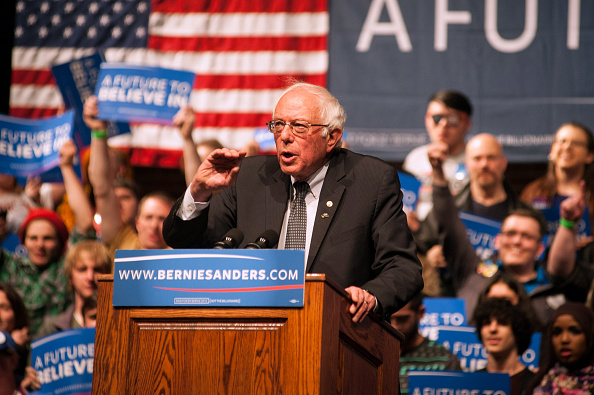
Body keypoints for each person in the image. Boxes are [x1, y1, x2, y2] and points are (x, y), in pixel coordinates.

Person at [161, 82, 423, 322]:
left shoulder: (370, 181)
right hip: (250, 329)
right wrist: (198, 192)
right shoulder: (251, 176)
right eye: (278, 124)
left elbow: (403, 267)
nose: (284, 136)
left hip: (336, 332)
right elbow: (186, 243)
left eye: (299, 126)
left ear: (331, 137)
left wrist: (370, 295)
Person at [427, 144, 592, 324]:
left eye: (526, 236)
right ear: (498, 240)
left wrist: (568, 223)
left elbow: (561, 267)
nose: (516, 241)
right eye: (511, 233)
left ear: (540, 248)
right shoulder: (473, 272)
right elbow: (448, 223)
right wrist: (438, 172)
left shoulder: (549, 288)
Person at [416, 135, 530, 295]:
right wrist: (429, 258)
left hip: (511, 294)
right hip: (454, 297)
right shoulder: (449, 209)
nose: (484, 164)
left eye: (491, 158)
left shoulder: (525, 214)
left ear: (503, 163)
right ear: (468, 164)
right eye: (477, 158)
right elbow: (419, 246)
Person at [83, 97, 183, 260]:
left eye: (162, 219)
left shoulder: (178, 254)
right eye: (148, 217)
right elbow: (102, 188)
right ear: (137, 222)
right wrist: (99, 131)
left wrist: (186, 139)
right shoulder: (123, 241)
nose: (154, 226)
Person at [403, 90, 473, 225]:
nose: (443, 124)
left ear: (467, 124)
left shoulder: (478, 160)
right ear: (427, 120)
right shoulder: (414, 159)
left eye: (453, 119)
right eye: (436, 118)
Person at [521, 122, 594, 239]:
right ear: (552, 150)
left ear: (590, 155)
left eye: (576, 143)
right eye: (562, 141)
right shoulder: (533, 191)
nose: (567, 147)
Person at [35, 240, 110, 338]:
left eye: (97, 269)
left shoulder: (118, 324)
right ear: (70, 277)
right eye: (82, 269)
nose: (90, 277)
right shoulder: (52, 329)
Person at [390, 293, 461, 395]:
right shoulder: (377, 354)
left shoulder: (445, 360)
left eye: (402, 319)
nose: (394, 326)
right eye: (388, 319)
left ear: (420, 313)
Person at [528, 302, 594, 394]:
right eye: (557, 332)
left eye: (575, 331)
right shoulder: (540, 383)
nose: (564, 339)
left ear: (589, 336)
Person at [473, 298, 535, 395]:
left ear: (517, 331)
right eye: (487, 323)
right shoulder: (470, 383)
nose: (492, 329)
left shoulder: (536, 383)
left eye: (502, 322)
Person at [475, 271, 543, 331]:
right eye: (493, 300)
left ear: (519, 302)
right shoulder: (471, 332)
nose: (498, 305)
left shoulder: (537, 337)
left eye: (506, 300)